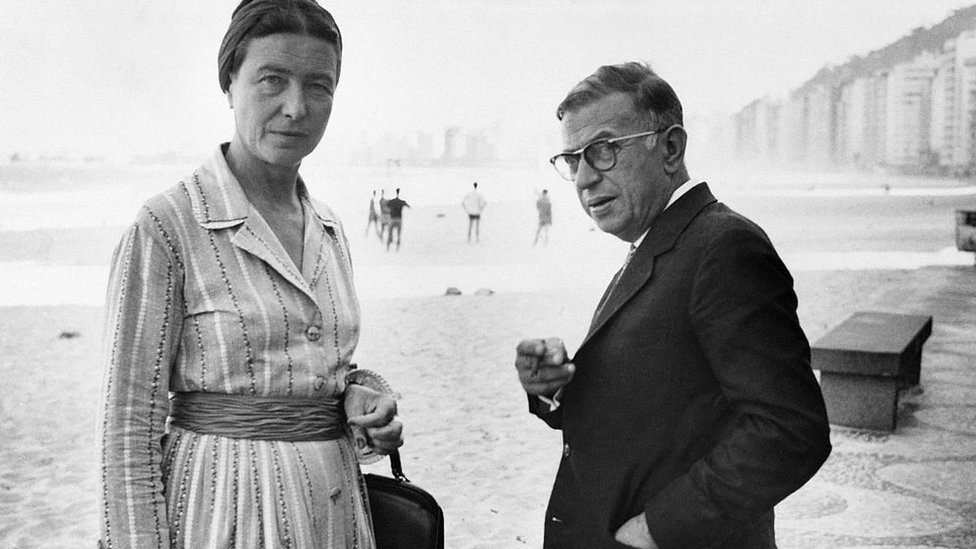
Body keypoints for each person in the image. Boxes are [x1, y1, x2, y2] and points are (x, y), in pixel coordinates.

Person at [97, 2, 403, 547]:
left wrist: (360, 401)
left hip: (335, 513)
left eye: (319, 86)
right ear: (229, 83)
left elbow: (312, 369)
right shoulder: (167, 225)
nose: (296, 107)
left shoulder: (329, 227)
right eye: (272, 80)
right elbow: (126, 427)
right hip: (221, 514)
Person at [513, 61, 831, 548]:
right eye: (573, 160)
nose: (583, 179)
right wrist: (554, 390)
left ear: (670, 148)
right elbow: (663, 408)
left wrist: (658, 529)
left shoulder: (724, 247)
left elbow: (791, 431)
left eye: (602, 150)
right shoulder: (663, 242)